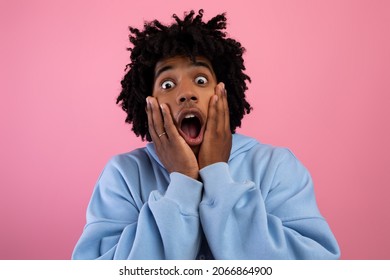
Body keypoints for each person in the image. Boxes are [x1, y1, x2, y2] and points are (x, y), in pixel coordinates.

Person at [72, 10, 340, 260]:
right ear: (148, 103)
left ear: (224, 93)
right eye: (167, 84)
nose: (186, 93)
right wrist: (183, 183)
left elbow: (318, 264)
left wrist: (216, 174)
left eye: (201, 80)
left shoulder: (276, 165)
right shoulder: (123, 174)